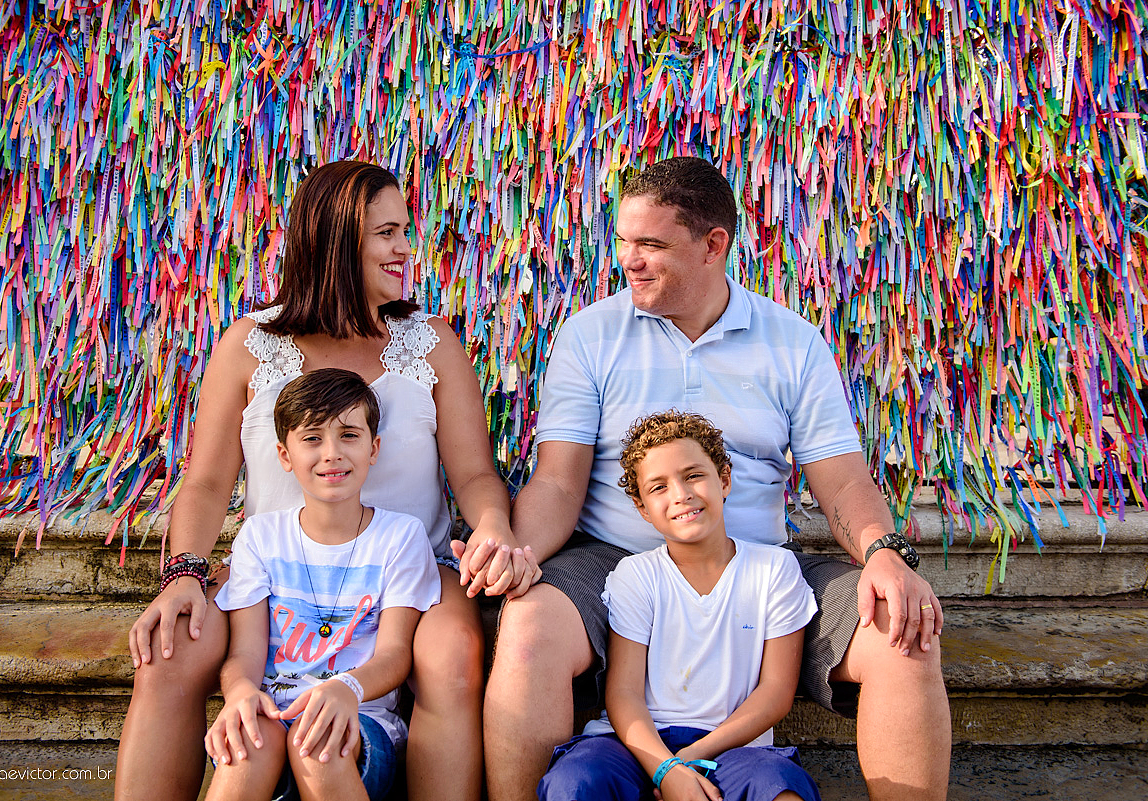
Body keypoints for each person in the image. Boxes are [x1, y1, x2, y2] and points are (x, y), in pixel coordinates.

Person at [485, 157, 951, 801]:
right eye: (623, 240)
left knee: (904, 627)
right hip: (611, 560)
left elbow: (842, 483)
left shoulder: (792, 342)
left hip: (755, 565)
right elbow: (558, 483)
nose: (629, 259)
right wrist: (519, 553)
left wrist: (882, 553)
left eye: (651, 244)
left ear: (713, 246)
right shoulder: (590, 335)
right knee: (528, 623)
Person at [116, 160, 534, 801]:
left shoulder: (433, 345)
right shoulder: (250, 345)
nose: (406, 249)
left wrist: (496, 527)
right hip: (277, 567)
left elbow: (476, 473)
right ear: (338, 242)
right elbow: (202, 485)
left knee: (452, 658)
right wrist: (184, 575)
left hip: (407, 568)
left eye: (404, 230)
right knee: (169, 652)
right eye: (387, 233)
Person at [537, 410, 822, 801]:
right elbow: (624, 694)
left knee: (782, 790)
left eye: (693, 476)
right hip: (636, 745)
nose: (680, 495)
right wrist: (665, 768)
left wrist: (688, 760)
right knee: (574, 783)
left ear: (724, 479)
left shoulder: (774, 570)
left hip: (732, 747)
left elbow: (775, 692)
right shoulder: (637, 575)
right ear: (642, 508)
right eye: (658, 488)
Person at [205, 368, 439, 801]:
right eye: (312, 438)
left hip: (359, 722)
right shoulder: (260, 537)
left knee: (316, 747)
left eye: (348, 435)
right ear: (284, 455)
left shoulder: (401, 537)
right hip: (274, 714)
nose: (332, 453)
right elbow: (245, 653)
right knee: (247, 749)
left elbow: (394, 654)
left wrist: (346, 687)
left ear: (374, 448)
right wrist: (238, 694)